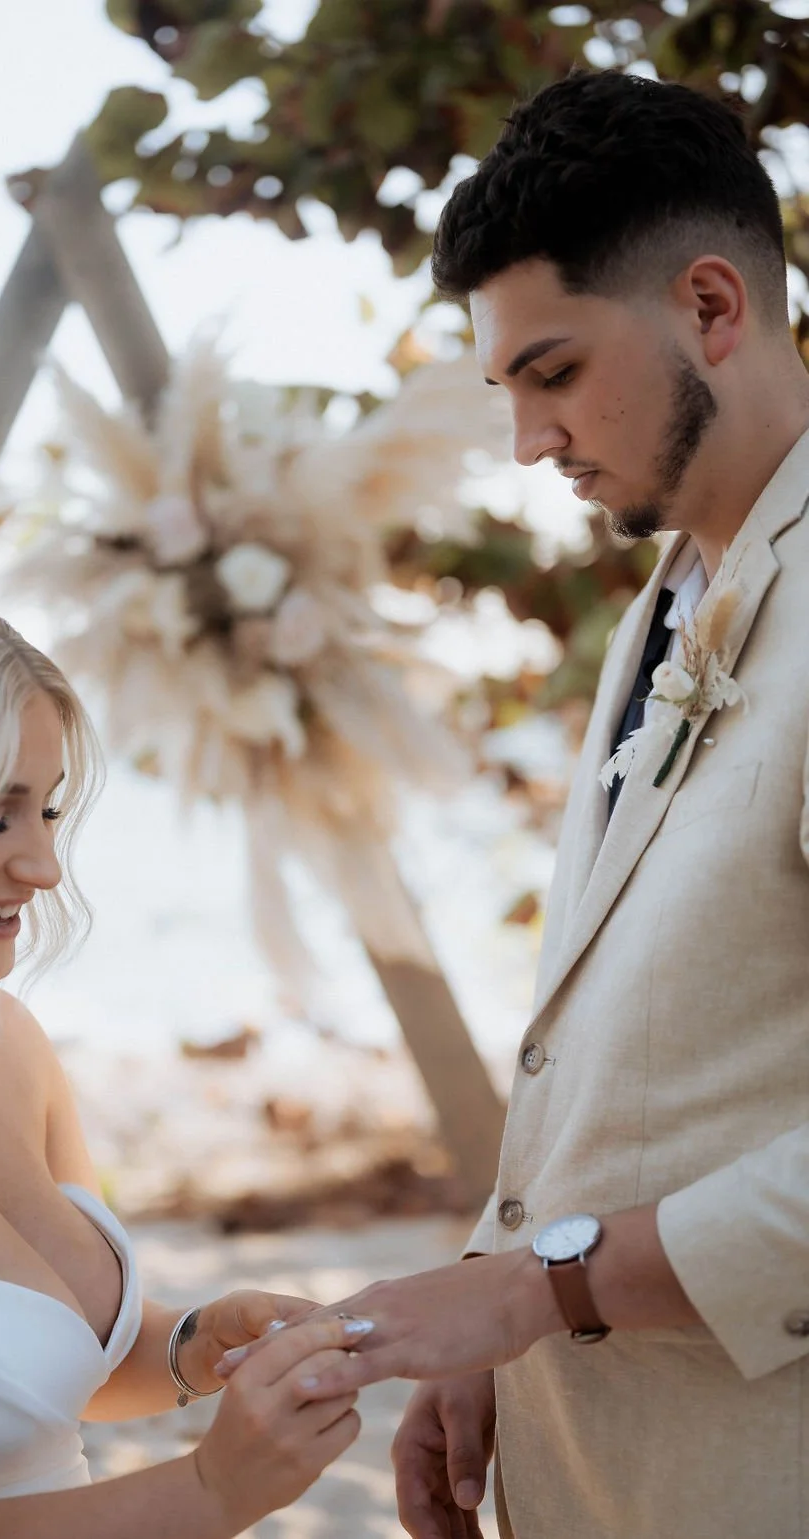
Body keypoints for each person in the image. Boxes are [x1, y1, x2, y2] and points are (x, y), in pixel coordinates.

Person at [228, 69, 809, 1539]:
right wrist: (504, 1313)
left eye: (553, 373)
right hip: (602, 1475)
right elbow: (630, 1033)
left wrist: (538, 1286)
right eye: (507, 392)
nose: (527, 444)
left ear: (712, 307)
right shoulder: (654, 617)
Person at [0, 533, 369, 1538]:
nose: (44, 867)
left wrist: (192, 1345)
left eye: (47, 811)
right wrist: (208, 1492)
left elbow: (56, 1371)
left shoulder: (6, 1039)